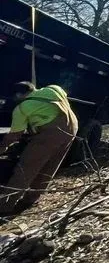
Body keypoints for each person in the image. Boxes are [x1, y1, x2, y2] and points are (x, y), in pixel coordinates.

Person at [0, 82, 79, 216]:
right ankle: (31, 199)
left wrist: (2, 147)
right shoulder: (53, 88)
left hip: (50, 134)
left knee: (26, 168)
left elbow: (15, 134)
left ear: (19, 95)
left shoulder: (22, 108)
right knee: (49, 167)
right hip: (71, 128)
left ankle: (5, 206)